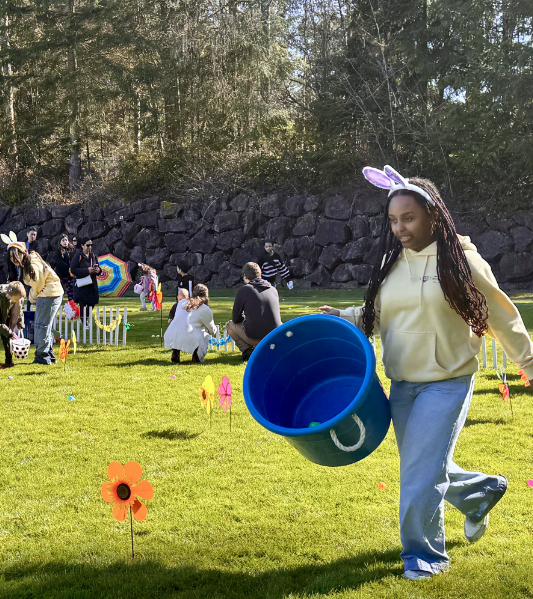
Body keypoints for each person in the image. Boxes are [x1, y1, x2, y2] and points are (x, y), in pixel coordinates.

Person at [319, 165, 533, 581]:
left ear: (433, 215)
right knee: (425, 466)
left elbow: (500, 315)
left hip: (449, 381)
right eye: (393, 220)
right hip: (402, 383)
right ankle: (480, 491)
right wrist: (343, 317)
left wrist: (528, 363)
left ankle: (424, 555)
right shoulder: (391, 262)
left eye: (409, 218)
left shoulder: (462, 261)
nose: (399, 228)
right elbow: (377, 314)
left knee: (418, 472)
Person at [8, 242, 64, 364]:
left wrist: (32, 298)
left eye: (16, 256)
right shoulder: (31, 259)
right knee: (45, 326)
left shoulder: (32, 265)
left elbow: (38, 284)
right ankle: (49, 354)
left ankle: (42, 357)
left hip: (48, 294)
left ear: (23, 253)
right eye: (11, 257)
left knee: (41, 326)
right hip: (52, 293)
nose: (14, 260)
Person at [227, 262, 281, 361]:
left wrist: (245, 317)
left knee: (230, 326)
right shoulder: (273, 289)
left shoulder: (244, 290)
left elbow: (235, 319)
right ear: (260, 274)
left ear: (245, 276)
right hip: (275, 336)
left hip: (255, 336)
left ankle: (247, 350)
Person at [164, 284, 217, 363]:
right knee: (202, 333)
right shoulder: (205, 309)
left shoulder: (182, 302)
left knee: (182, 328)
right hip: (190, 335)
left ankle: (176, 351)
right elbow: (211, 329)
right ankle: (197, 355)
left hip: (172, 333)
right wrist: (214, 331)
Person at [70, 237, 101, 323]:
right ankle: (83, 320)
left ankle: (84, 318)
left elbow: (98, 267)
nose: (90, 247)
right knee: (82, 303)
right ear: (82, 246)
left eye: (91, 245)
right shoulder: (78, 256)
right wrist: (87, 270)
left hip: (92, 284)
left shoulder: (93, 256)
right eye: (88, 245)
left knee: (92, 303)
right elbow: (73, 269)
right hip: (82, 284)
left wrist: (98, 270)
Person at [49, 233, 74, 301]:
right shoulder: (58, 252)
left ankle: (72, 301)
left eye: (66, 240)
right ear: (60, 242)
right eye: (63, 240)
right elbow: (60, 262)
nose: (65, 242)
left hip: (70, 273)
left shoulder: (71, 251)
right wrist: (68, 267)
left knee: (71, 289)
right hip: (63, 274)